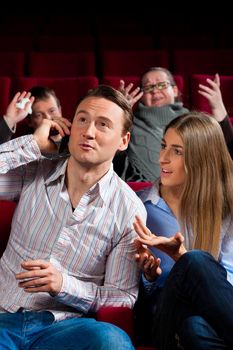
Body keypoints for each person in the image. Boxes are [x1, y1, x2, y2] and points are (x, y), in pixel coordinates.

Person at [0, 85, 147, 349]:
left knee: (113, 342)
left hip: (64, 326)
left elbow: (122, 297)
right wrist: (33, 144)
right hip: (3, 316)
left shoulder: (129, 210)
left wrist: (63, 284)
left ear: (123, 141)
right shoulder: (33, 170)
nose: (88, 132)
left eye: (103, 125)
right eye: (82, 119)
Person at [133, 112, 233, 349]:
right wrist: (149, 279)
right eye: (164, 146)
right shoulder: (139, 206)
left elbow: (228, 283)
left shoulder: (227, 207)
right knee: (195, 259)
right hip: (159, 319)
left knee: (195, 328)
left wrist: (179, 256)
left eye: (177, 151)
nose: (163, 159)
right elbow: (131, 296)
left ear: (201, 159)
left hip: (201, 323)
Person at [115, 68, 232, 182]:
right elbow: (111, 156)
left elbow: (225, 154)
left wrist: (218, 108)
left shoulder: (194, 121)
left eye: (161, 85)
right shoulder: (129, 124)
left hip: (196, 192)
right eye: (148, 87)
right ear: (142, 96)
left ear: (175, 90)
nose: (155, 90)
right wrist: (119, 115)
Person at [0, 86, 69, 148]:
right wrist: (10, 120)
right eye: (38, 115)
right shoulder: (23, 147)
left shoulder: (75, 136)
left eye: (52, 111)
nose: (48, 119)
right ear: (30, 121)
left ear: (60, 110)